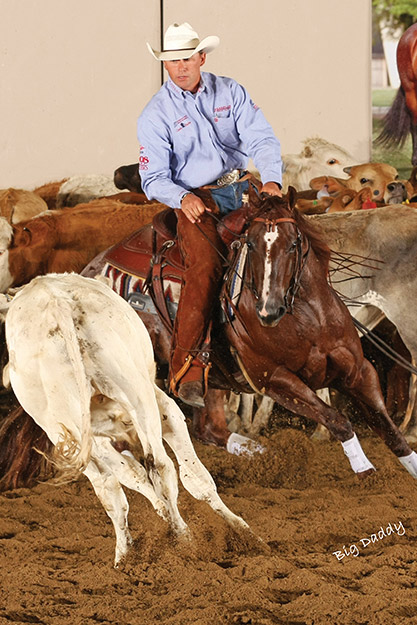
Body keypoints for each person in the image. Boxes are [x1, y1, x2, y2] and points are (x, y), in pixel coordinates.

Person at [138, 22, 283, 408]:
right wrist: (182, 197)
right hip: (198, 201)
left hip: (243, 189)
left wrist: (271, 179)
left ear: (201, 57)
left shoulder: (230, 92)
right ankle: (186, 367)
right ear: (165, 65)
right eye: (173, 61)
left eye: (187, 58)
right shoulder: (155, 114)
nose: (180, 67)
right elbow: (153, 178)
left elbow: (261, 137)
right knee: (203, 268)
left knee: (286, 240)